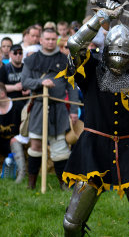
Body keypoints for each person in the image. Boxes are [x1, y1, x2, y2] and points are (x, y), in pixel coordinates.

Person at [58, 0, 129, 236]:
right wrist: (100, 17)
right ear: (105, 53)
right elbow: (74, 43)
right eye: (114, 55)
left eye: (124, 56)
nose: (118, 61)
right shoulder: (91, 69)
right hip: (94, 149)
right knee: (72, 223)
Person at [21, 28, 79, 191]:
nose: (50, 42)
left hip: (59, 108)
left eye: (53, 39)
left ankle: (63, 183)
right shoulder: (32, 61)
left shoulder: (65, 60)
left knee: (60, 145)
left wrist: (74, 110)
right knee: (36, 145)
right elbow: (24, 81)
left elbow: (72, 87)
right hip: (39, 106)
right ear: (41, 40)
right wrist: (41, 83)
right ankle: (31, 183)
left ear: (57, 40)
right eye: (47, 39)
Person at [0, 82, 25, 183]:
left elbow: (25, 126)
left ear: (2, 94)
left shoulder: (18, 105)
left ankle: (21, 173)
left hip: (17, 140)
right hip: (1, 142)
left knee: (14, 141)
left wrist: (20, 137)